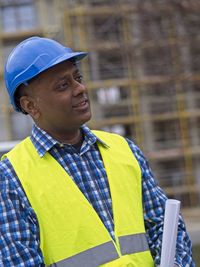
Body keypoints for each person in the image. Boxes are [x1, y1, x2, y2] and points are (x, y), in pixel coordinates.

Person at [0, 36, 194, 267]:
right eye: (63, 85)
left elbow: (165, 229)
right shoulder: (10, 177)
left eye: (77, 78)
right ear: (30, 105)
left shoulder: (124, 150)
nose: (80, 89)